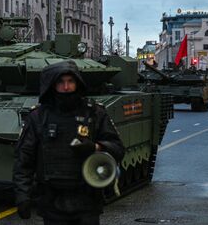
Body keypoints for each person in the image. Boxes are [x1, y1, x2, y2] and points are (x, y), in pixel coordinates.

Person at [13, 60, 125, 225]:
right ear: (52, 84)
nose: (66, 87)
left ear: (77, 83)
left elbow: (118, 148)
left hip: (86, 199)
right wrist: (22, 194)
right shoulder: (38, 117)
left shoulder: (94, 113)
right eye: (61, 82)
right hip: (52, 200)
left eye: (70, 81)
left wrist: (95, 147)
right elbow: (24, 159)